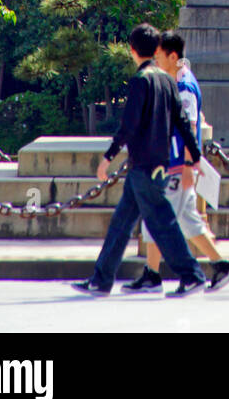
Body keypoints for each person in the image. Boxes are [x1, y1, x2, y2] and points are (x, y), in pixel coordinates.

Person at [71, 23, 207, 297]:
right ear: (155, 49)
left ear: (132, 50)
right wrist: (196, 158)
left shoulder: (140, 81)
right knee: (122, 223)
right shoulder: (168, 81)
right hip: (157, 164)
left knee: (162, 224)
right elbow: (182, 124)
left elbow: (129, 125)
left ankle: (192, 275)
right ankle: (101, 279)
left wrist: (108, 157)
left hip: (143, 165)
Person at [122, 30, 229, 294]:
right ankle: (220, 265)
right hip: (174, 163)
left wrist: (188, 166)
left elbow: (191, 126)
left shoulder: (185, 87)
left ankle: (179, 276)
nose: (155, 59)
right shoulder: (178, 80)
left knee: (158, 219)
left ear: (172, 56)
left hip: (178, 165)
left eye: (159, 55)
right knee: (188, 221)